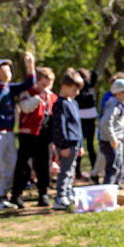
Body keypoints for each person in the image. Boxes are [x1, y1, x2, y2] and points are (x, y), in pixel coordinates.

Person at [0, 52, 35, 210]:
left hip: (9, 132)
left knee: (11, 165)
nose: (8, 74)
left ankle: (5, 195)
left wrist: (30, 67)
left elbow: (28, 84)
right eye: (3, 71)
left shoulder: (10, 88)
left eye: (9, 70)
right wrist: (2, 83)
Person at [9, 66, 57, 208]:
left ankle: (43, 193)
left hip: (45, 136)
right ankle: (16, 195)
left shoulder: (53, 97)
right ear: (36, 82)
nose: (45, 88)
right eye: (43, 84)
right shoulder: (28, 92)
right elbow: (25, 107)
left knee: (44, 166)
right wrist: (39, 97)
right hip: (28, 134)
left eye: (48, 85)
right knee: (24, 166)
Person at [51, 68, 85, 210]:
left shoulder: (74, 103)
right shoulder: (60, 104)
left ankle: (68, 193)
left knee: (71, 170)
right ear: (64, 87)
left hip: (75, 143)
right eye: (74, 89)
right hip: (66, 144)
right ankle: (60, 197)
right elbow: (60, 126)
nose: (77, 93)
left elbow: (78, 125)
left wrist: (81, 144)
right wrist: (63, 145)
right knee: (65, 171)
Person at [98, 78, 124, 186]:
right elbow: (105, 122)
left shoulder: (120, 104)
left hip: (118, 140)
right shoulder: (114, 105)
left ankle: (116, 186)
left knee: (119, 165)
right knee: (113, 167)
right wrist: (112, 138)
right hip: (110, 141)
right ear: (119, 93)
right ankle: (108, 188)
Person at [75, 68, 100, 180]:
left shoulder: (89, 86)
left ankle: (94, 172)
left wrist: (86, 75)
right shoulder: (78, 87)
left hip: (90, 119)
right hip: (80, 119)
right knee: (80, 147)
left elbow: (96, 73)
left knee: (90, 147)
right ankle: (78, 172)